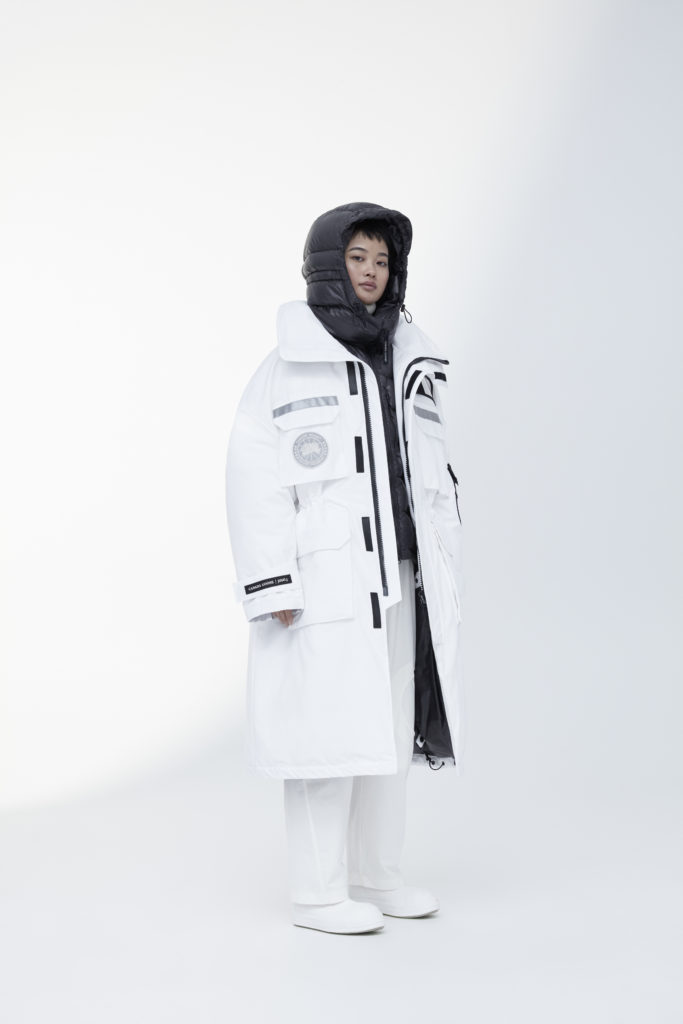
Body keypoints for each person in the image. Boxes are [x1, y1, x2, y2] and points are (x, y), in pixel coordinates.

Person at [224, 201, 465, 934]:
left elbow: (430, 475)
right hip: (325, 585)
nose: (370, 272)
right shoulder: (286, 366)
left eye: (382, 261)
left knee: (389, 732)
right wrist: (272, 580)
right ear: (328, 265)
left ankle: (375, 876)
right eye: (357, 257)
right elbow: (253, 478)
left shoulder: (410, 357)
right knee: (323, 735)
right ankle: (317, 894)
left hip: (403, 579)